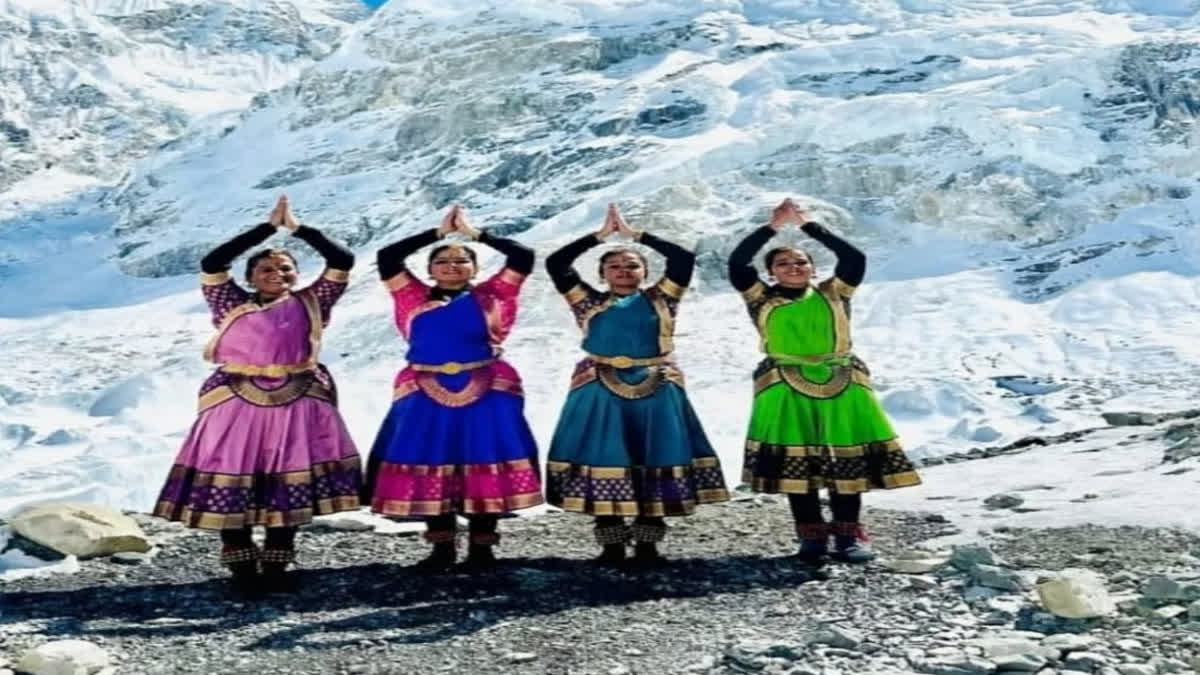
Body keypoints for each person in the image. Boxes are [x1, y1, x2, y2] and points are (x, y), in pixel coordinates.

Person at [154, 195, 362, 592]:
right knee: (230, 470)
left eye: (285, 268)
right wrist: (267, 228)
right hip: (234, 398)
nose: (276, 274)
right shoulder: (230, 302)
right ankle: (239, 558)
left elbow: (342, 261)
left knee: (290, 473)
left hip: (299, 397)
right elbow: (213, 263)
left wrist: (300, 229)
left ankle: (278, 561)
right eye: (266, 268)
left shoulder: (312, 302)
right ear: (251, 277)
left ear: (296, 275)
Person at [728, 198, 921, 565]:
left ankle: (848, 535)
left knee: (845, 460)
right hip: (783, 383)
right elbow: (738, 263)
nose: (793, 267)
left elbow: (854, 259)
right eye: (783, 263)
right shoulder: (761, 298)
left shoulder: (834, 292)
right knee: (797, 463)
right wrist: (772, 227)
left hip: (842, 380)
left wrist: (807, 226)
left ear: (813, 268)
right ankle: (811, 536)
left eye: (801, 261)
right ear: (771, 273)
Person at [544, 203, 729, 567]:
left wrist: (637, 235)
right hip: (599, 387)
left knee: (655, 457)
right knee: (605, 458)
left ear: (645, 272)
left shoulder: (662, 298)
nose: (624, 271)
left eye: (632, 265)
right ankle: (611, 545)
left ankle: (648, 544)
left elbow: (682, 260)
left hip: (656, 385)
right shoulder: (588, 302)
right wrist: (598, 237)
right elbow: (557, 264)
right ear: (601, 274)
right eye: (614, 265)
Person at [362, 205, 542, 572]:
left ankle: (482, 549)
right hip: (424, 390)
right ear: (429, 269)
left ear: (475, 269)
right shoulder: (410, 296)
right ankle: (440, 548)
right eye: (442, 260)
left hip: (487, 389)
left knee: (482, 460)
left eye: (462, 261)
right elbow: (388, 256)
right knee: (430, 460)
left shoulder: (494, 294)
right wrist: (438, 234)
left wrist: (476, 234)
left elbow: (523, 256)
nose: (452, 266)